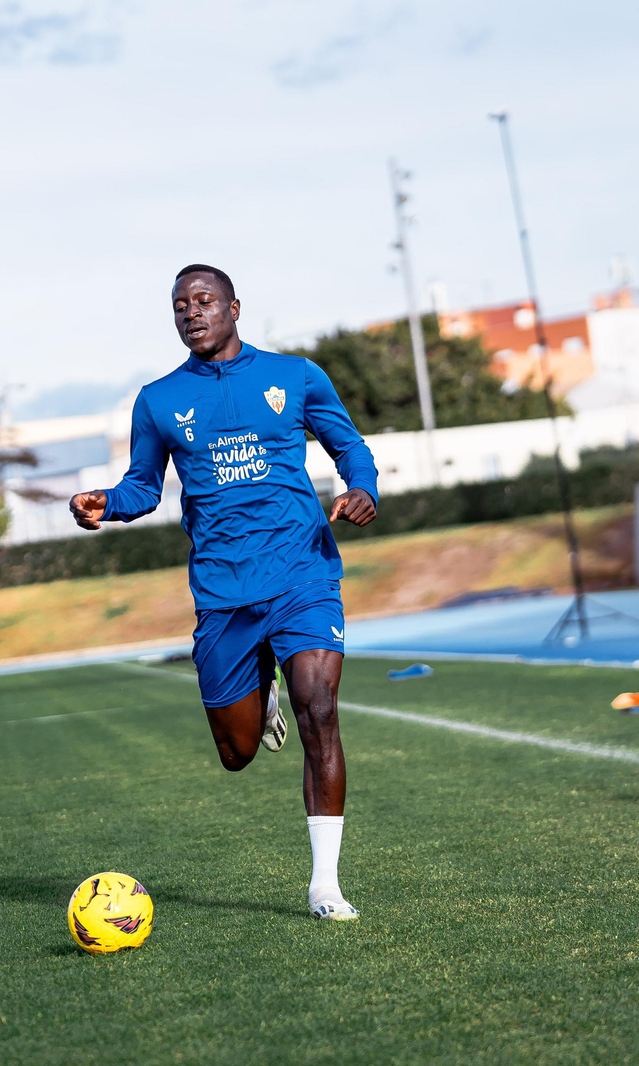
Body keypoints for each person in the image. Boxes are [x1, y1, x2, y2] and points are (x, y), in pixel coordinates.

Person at [69, 264, 378, 920]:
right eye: (180, 305)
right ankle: (259, 691)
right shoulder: (157, 400)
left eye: (204, 301)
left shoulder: (295, 377)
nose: (192, 313)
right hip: (223, 593)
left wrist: (361, 489)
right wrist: (107, 503)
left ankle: (325, 884)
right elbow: (143, 487)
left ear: (235, 307)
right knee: (237, 755)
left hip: (303, 574)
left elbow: (349, 447)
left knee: (319, 709)